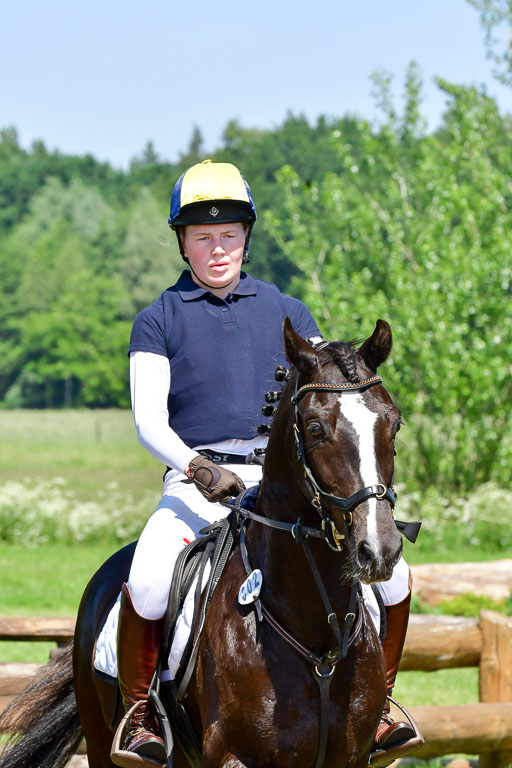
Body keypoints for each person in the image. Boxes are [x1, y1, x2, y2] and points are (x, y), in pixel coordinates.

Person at [111, 159, 418, 768]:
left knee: (398, 577)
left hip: (282, 485)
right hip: (197, 483)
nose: (217, 247)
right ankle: (140, 712)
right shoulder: (159, 320)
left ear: (246, 238)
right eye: (202, 237)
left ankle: (380, 704)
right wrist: (199, 469)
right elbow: (149, 420)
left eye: (228, 235)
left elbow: (331, 400)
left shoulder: (290, 311)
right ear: (183, 243)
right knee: (147, 579)